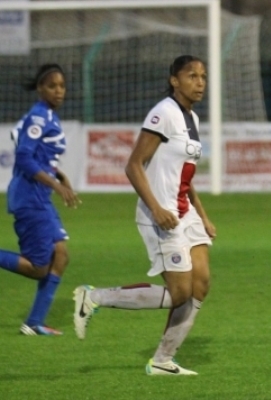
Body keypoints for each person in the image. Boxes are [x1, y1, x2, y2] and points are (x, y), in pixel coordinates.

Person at [73, 55, 216, 376]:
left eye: (203, 76)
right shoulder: (163, 113)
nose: (200, 82)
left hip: (185, 210)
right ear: (174, 81)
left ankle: (163, 361)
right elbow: (133, 165)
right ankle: (93, 297)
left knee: (201, 284)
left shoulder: (190, 117)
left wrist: (203, 216)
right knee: (180, 293)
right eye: (191, 76)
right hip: (161, 213)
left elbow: (185, 175)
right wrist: (156, 208)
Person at [0, 64, 79, 336]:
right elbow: (23, 156)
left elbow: (38, 155)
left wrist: (58, 173)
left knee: (61, 255)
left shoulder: (46, 116)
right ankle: (34, 322)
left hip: (39, 197)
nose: (58, 91)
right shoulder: (38, 117)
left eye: (62, 86)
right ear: (40, 89)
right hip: (31, 197)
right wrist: (56, 184)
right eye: (52, 86)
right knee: (37, 267)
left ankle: (34, 323)